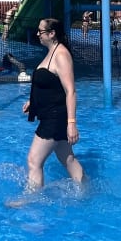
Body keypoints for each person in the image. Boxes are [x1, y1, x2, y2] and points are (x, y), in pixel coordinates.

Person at [21, 18, 85, 190]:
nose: (37, 34)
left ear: (51, 33)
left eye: (40, 31)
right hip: (52, 114)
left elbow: (70, 91)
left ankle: (31, 199)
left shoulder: (61, 55)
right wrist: (33, 102)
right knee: (68, 159)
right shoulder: (51, 52)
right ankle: (86, 192)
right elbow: (50, 85)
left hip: (55, 117)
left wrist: (71, 124)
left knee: (34, 161)